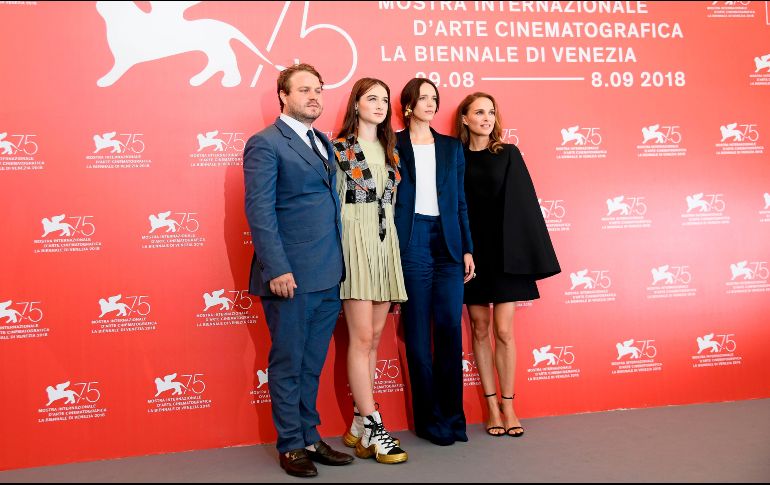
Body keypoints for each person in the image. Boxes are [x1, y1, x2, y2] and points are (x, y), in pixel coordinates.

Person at [243, 63, 353, 478]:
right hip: (290, 275)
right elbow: (260, 211)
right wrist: (277, 268)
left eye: (318, 90)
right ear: (283, 96)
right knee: (289, 362)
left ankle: (309, 436)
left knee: (310, 363)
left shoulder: (322, 140)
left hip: (328, 273)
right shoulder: (265, 143)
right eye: (304, 90)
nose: (313, 97)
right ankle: (290, 444)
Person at [454, 92, 560, 437]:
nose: (486, 118)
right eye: (479, 112)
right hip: (471, 253)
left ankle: (509, 404)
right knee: (479, 328)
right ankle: (491, 408)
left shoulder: (508, 153)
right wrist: (461, 250)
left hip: (504, 252)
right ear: (465, 118)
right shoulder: (454, 157)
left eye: (491, 112)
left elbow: (524, 205)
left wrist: (523, 255)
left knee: (503, 331)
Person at [394, 78, 475, 447]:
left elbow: (460, 202)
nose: (431, 103)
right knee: (416, 334)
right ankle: (428, 420)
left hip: (448, 244)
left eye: (434, 98)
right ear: (408, 104)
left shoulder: (451, 146)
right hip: (412, 241)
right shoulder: (393, 143)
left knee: (449, 331)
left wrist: (467, 248)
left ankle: (453, 418)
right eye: (423, 98)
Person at [331, 77, 409, 464]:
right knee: (361, 339)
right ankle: (375, 426)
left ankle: (360, 424)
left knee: (375, 338)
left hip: (384, 246)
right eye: (372, 98)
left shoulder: (391, 151)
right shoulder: (338, 149)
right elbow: (330, 203)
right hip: (354, 246)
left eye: (384, 99)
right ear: (356, 104)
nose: (380, 105)